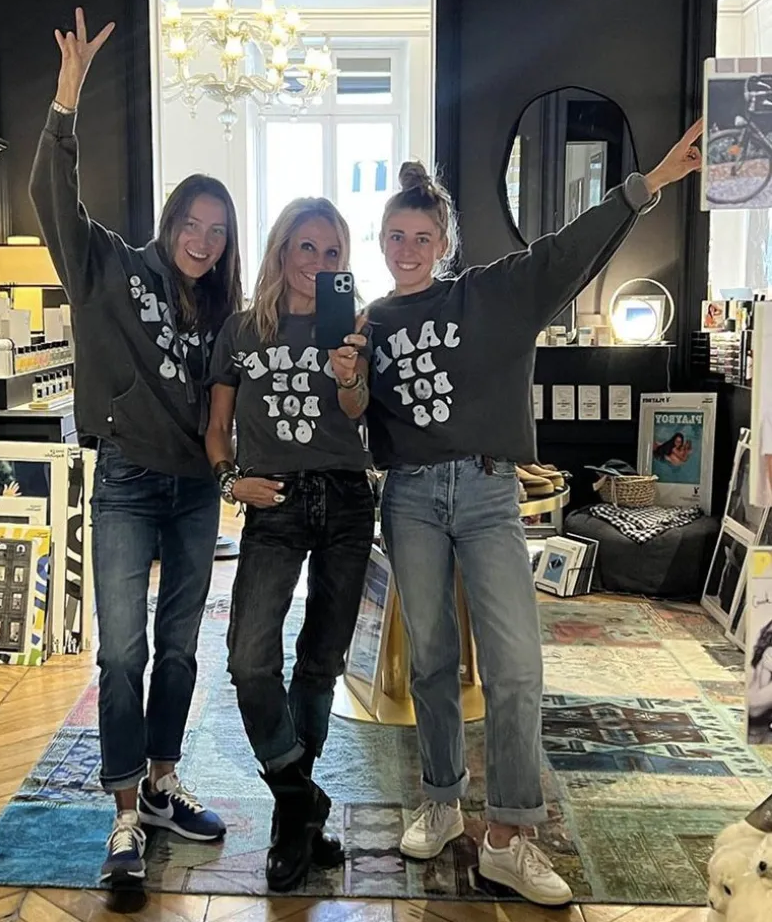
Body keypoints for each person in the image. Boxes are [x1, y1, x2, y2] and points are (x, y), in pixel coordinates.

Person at [365, 122, 703, 906]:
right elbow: (352, 415)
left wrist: (649, 182)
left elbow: (566, 249)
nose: (407, 249)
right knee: (431, 660)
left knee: (516, 665)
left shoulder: (491, 294)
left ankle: (508, 834)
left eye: (422, 237)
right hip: (409, 495)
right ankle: (443, 799)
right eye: (395, 236)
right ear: (381, 241)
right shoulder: (371, 321)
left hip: (488, 492)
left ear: (445, 242)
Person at [29, 9, 242, 886]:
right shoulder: (108, 267)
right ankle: (123, 816)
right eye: (192, 222)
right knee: (122, 651)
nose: (202, 239)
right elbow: (53, 197)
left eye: (217, 230)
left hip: (195, 491)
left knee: (181, 647)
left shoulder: (225, 312)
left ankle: (160, 784)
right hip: (124, 480)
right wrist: (66, 101)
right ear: (170, 219)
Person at [206, 197, 375, 891]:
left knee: (320, 662)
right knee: (249, 659)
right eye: (307, 247)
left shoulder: (356, 325)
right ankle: (299, 793)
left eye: (332, 252)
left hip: (345, 498)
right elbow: (216, 427)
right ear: (282, 250)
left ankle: (290, 821)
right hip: (272, 501)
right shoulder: (243, 330)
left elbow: (359, 412)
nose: (319, 262)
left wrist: (349, 373)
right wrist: (230, 481)